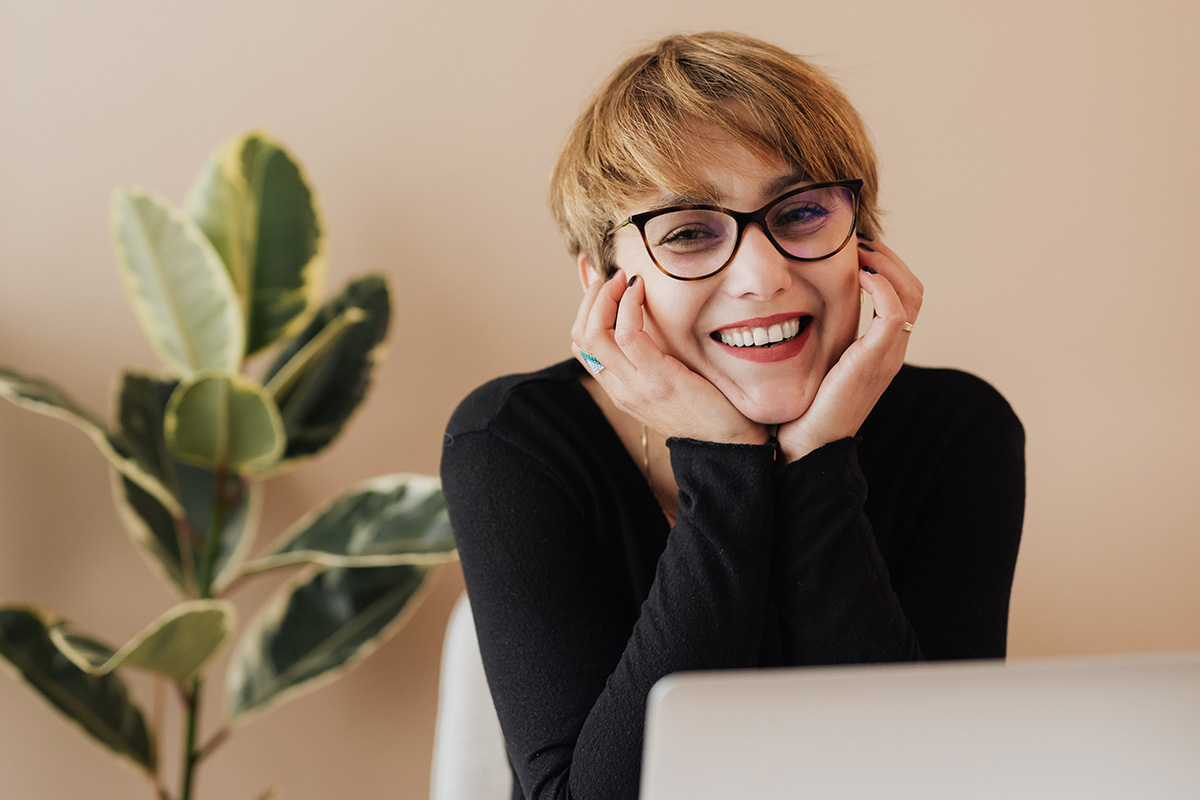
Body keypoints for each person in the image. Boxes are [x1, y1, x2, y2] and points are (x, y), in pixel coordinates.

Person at [440, 31, 1025, 800]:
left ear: (866, 241)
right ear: (604, 285)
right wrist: (723, 459)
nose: (762, 275)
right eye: (687, 232)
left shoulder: (959, 430)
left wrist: (817, 457)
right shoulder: (515, 443)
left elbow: (936, 780)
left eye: (803, 211)